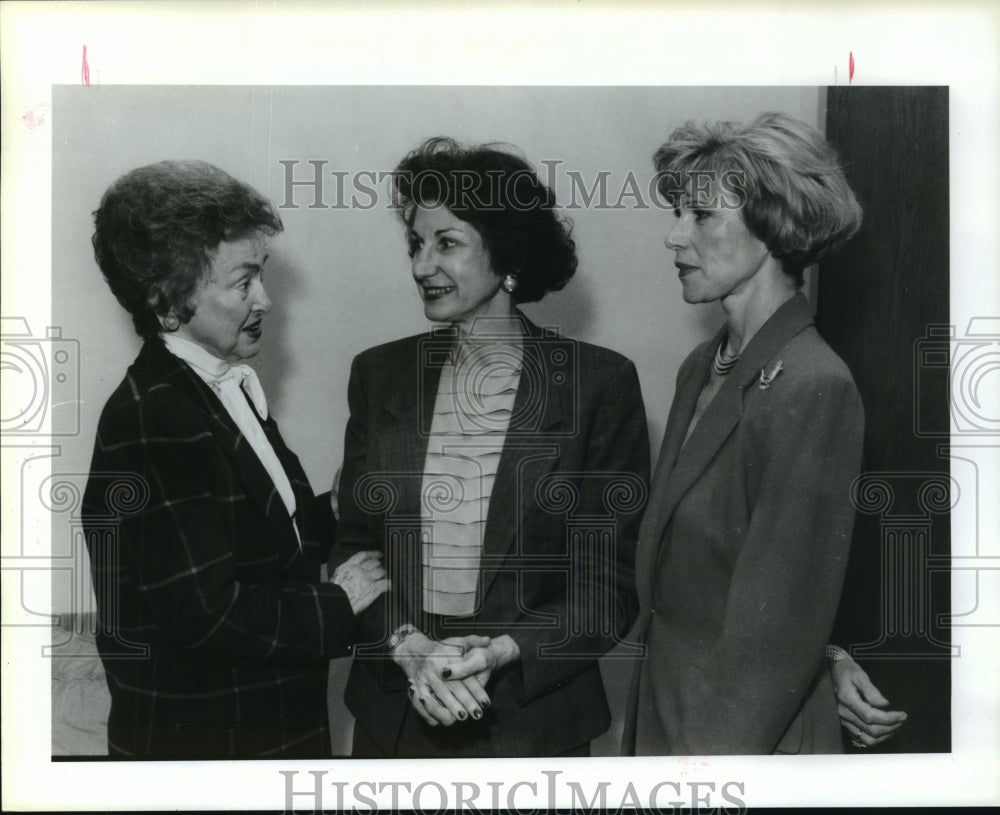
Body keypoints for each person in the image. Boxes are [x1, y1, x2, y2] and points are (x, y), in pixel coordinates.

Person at [332, 137, 650, 757]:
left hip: (533, 722)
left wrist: (504, 651)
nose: (422, 265)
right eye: (416, 245)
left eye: (446, 243)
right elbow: (353, 546)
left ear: (506, 258)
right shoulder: (379, 375)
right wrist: (409, 648)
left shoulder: (597, 385)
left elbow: (607, 584)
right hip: (398, 712)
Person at [81, 160, 388, 759]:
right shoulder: (154, 418)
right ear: (168, 299)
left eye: (263, 275)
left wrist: (337, 507)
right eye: (243, 281)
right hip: (207, 747)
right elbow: (206, 612)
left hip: (260, 726)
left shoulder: (213, 386)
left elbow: (255, 543)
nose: (266, 300)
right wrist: (339, 602)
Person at [624, 112, 905, 755]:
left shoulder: (814, 385)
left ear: (773, 224)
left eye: (700, 216)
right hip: (670, 714)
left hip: (737, 747)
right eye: (677, 213)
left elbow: (771, 637)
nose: (674, 237)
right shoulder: (702, 367)